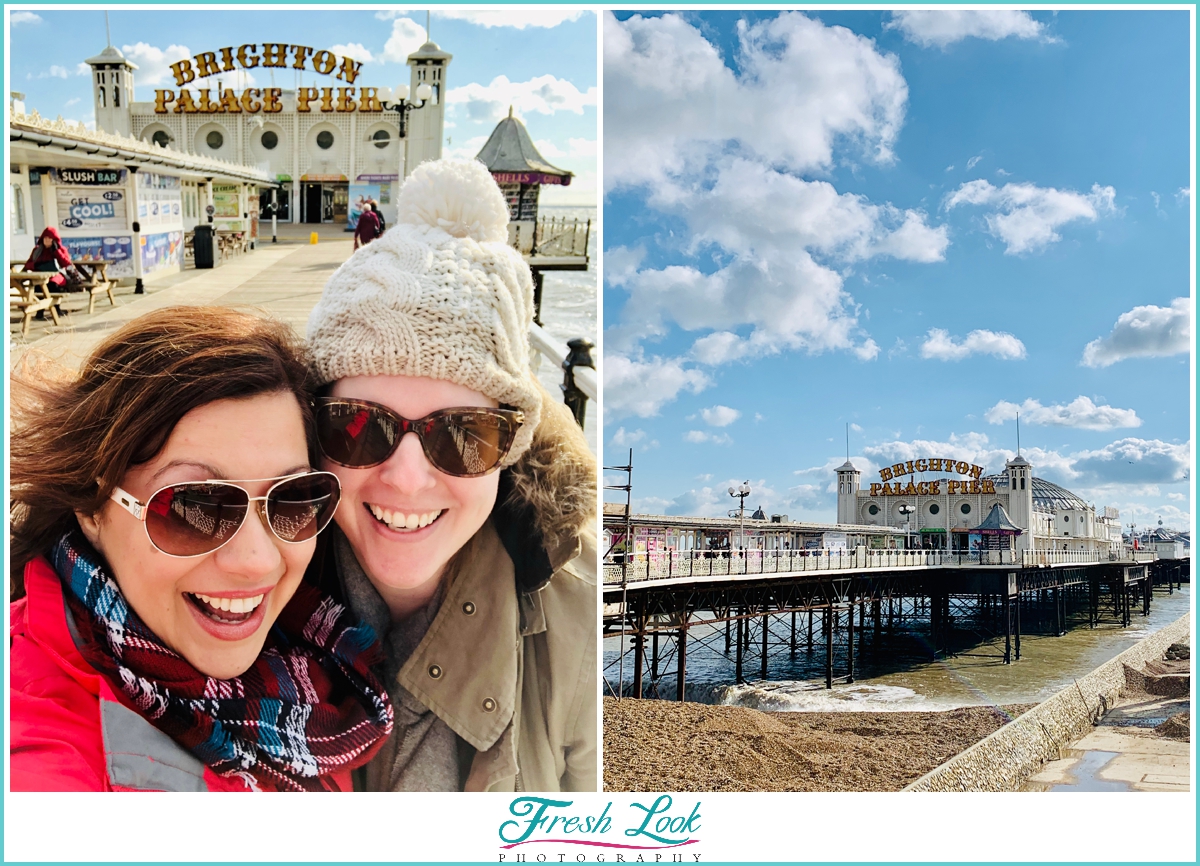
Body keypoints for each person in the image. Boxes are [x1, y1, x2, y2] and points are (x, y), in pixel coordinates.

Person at [9, 307, 394, 791]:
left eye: (292, 499)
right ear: (92, 507)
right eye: (194, 509)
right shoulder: (37, 753)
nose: (257, 560)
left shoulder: (321, 659)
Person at [306, 158, 596, 792]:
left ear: (511, 444)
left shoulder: (580, 607)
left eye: (462, 435)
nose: (407, 479)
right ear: (312, 435)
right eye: (358, 426)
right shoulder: (240, 589)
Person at [23, 226, 79, 291]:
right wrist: (35, 265)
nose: (47, 240)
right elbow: (28, 264)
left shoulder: (61, 249)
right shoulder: (37, 250)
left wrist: (57, 252)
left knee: (52, 285)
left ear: (54, 240)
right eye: (45, 237)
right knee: (37, 286)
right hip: (40, 276)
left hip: (56, 276)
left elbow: (66, 264)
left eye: (50, 238)